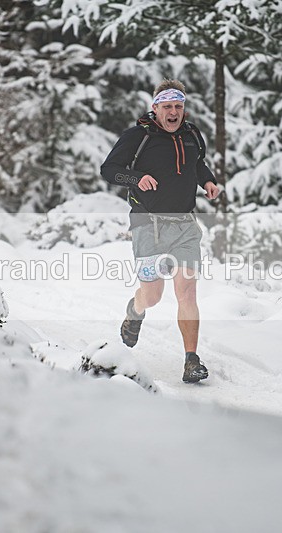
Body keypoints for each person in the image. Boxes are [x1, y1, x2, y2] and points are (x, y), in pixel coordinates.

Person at [100, 79, 220, 383]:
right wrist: (136, 178)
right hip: (147, 224)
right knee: (153, 296)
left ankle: (191, 360)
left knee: (187, 291)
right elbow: (108, 169)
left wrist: (207, 181)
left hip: (185, 225)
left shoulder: (192, 134)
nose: (173, 112)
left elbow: (197, 164)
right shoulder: (137, 137)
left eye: (178, 106)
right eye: (167, 106)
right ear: (155, 108)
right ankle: (135, 310)